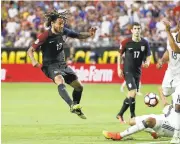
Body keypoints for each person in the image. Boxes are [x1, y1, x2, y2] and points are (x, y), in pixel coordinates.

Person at [27, 10, 96, 119]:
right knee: (60, 80)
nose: (61, 25)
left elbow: (78, 35)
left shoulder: (63, 31)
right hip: (49, 65)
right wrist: (33, 61)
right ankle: (72, 105)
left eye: (63, 23)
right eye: (59, 23)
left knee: (79, 87)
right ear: (52, 23)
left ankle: (76, 107)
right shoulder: (44, 36)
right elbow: (30, 50)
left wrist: (89, 34)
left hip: (62, 64)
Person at [102, 86, 176, 141]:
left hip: (174, 126)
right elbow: (166, 105)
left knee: (150, 120)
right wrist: (161, 91)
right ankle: (153, 132)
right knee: (132, 121)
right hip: (165, 117)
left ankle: (119, 135)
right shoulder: (175, 96)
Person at [116, 22, 151, 123]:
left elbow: (149, 55)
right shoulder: (126, 42)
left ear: (141, 30)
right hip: (127, 70)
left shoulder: (145, 43)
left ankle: (120, 114)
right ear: (131, 30)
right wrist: (118, 68)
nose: (137, 30)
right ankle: (133, 116)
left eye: (138, 28)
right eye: (135, 28)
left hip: (138, 71)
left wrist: (148, 62)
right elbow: (119, 55)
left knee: (132, 95)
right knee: (133, 92)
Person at [156, 20, 180, 143]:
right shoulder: (172, 36)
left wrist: (167, 31)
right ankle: (171, 114)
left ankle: (177, 135)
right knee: (165, 93)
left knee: (178, 105)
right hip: (170, 73)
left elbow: (176, 49)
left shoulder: (171, 36)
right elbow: (169, 51)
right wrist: (162, 60)